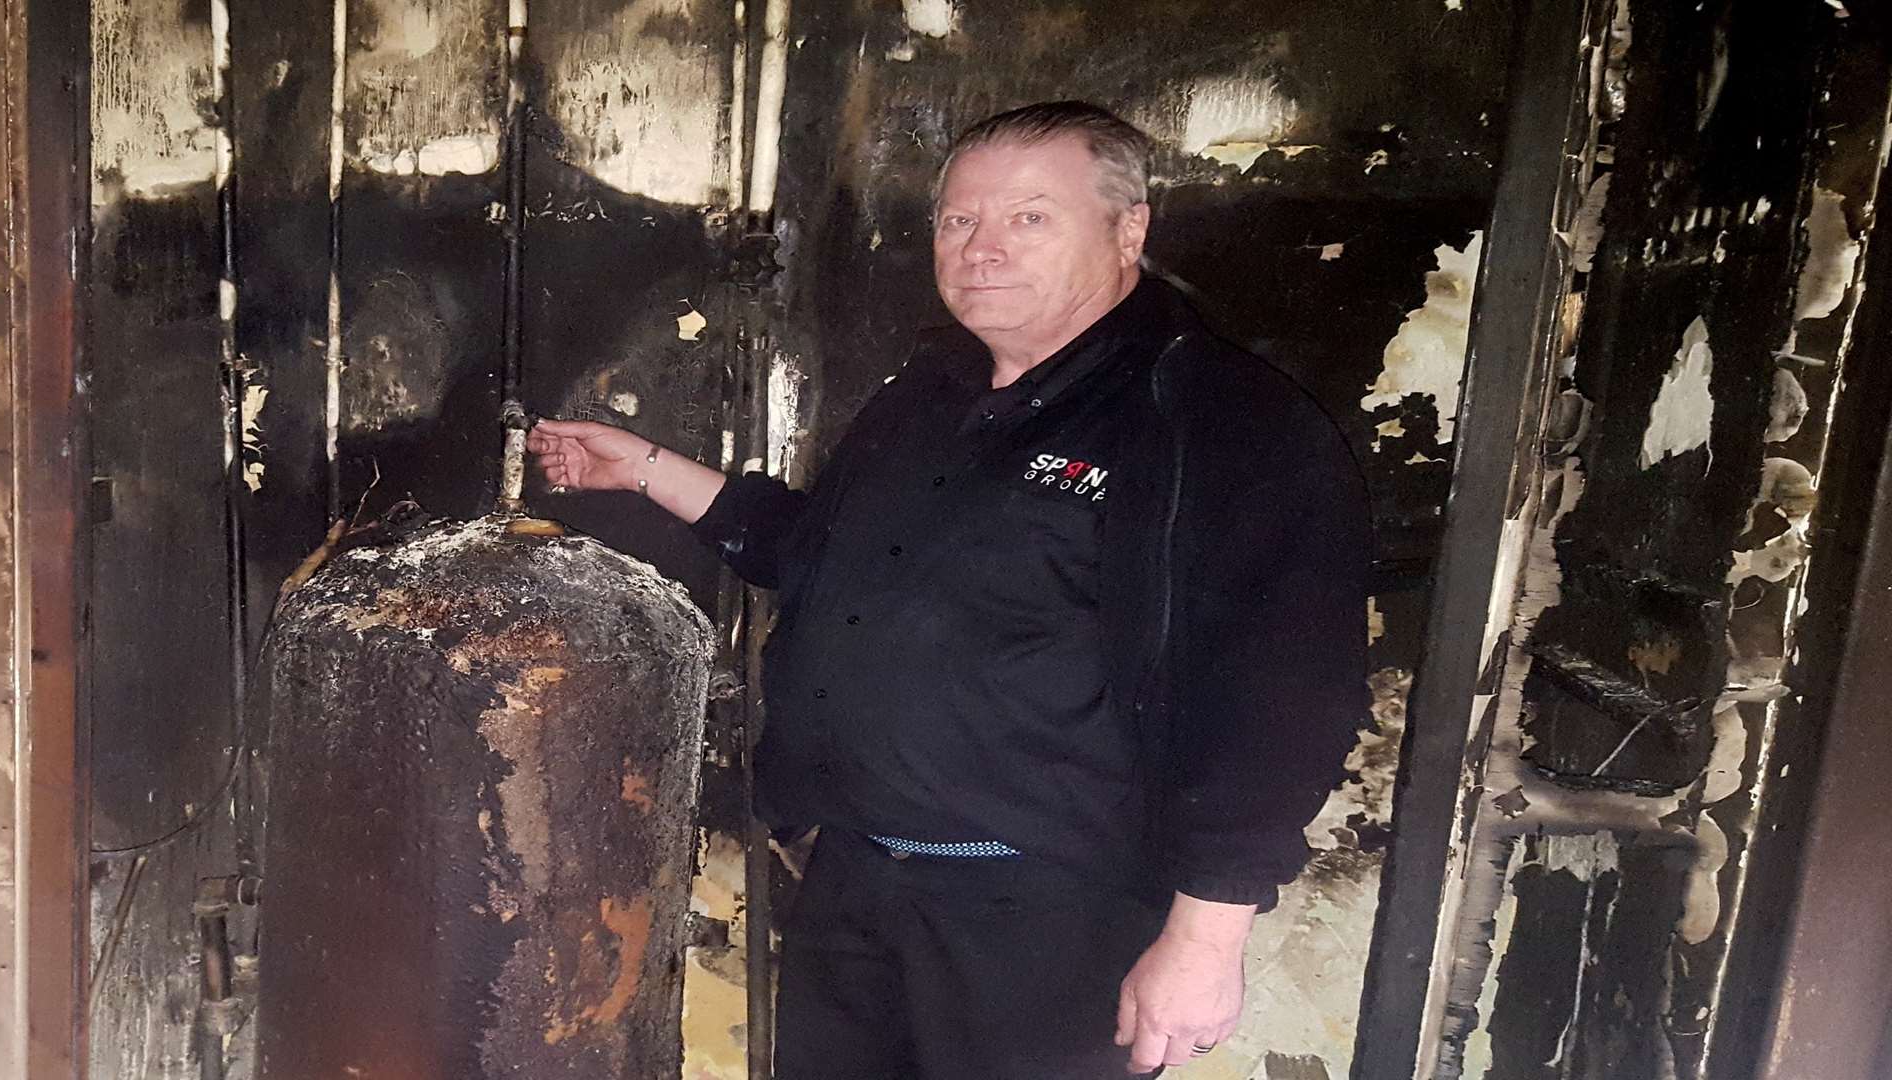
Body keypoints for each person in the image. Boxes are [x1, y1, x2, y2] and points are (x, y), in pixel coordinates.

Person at [528, 100, 1369, 1079]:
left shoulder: (1217, 419)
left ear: (1128, 227)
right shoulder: (927, 396)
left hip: (1049, 924)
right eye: (959, 220)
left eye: (1029, 217)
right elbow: (821, 559)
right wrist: (640, 467)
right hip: (858, 888)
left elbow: (1281, 695)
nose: (983, 248)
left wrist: (1206, 938)